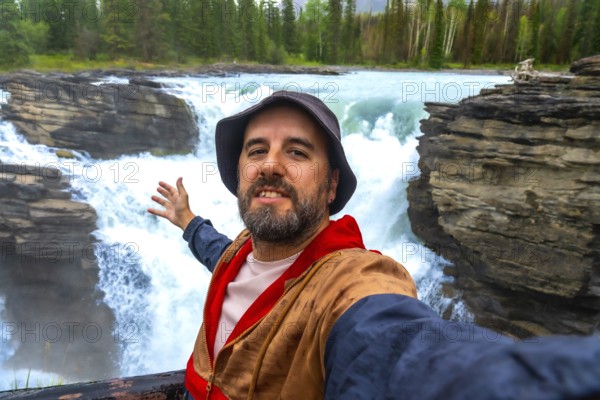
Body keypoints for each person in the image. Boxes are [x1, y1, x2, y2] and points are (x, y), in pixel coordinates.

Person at [148, 91, 600, 400]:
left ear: (331, 187)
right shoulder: (242, 251)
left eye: (298, 152)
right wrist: (187, 220)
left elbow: (401, 348)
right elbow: (218, 251)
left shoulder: (351, 282)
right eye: (256, 150)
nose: (271, 165)